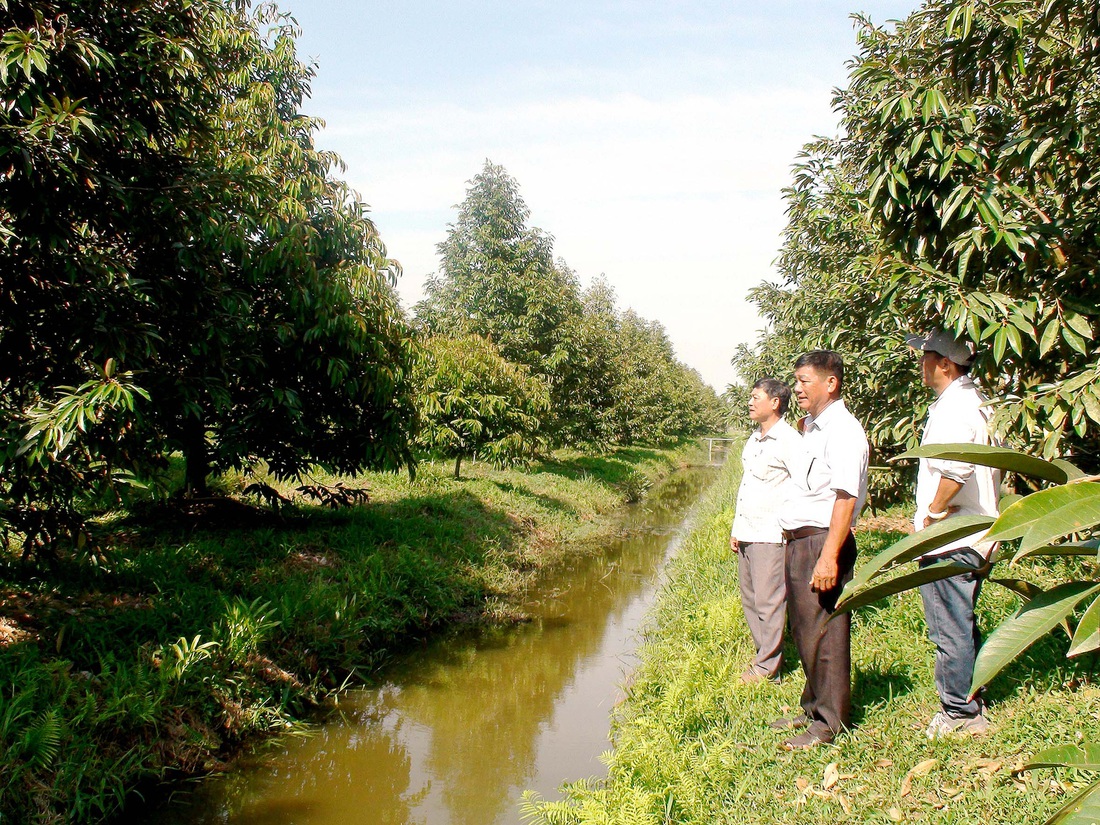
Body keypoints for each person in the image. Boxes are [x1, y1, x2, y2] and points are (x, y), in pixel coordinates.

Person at [906, 328, 1000, 738]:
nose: (920, 362)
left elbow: (957, 469)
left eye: (925, 355)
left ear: (944, 363)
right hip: (970, 535)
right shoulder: (969, 401)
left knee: (949, 626)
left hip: (953, 538)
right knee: (961, 621)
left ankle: (960, 713)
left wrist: (932, 513)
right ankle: (973, 695)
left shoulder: (957, 407)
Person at [772, 350, 868, 750]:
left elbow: (845, 498)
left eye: (805, 381)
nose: (797, 389)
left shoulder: (844, 431)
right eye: (796, 381)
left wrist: (830, 555)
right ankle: (813, 706)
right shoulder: (814, 428)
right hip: (801, 541)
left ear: (831, 383)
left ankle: (830, 722)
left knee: (826, 631)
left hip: (822, 541)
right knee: (806, 628)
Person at [730, 378, 800, 684]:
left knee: (769, 601)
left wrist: (790, 527)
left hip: (771, 534)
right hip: (748, 529)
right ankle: (764, 656)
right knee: (751, 598)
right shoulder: (754, 439)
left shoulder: (789, 441)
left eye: (756, 397)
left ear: (775, 402)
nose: (750, 402)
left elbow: (802, 486)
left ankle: (768, 669)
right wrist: (736, 528)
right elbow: (746, 487)